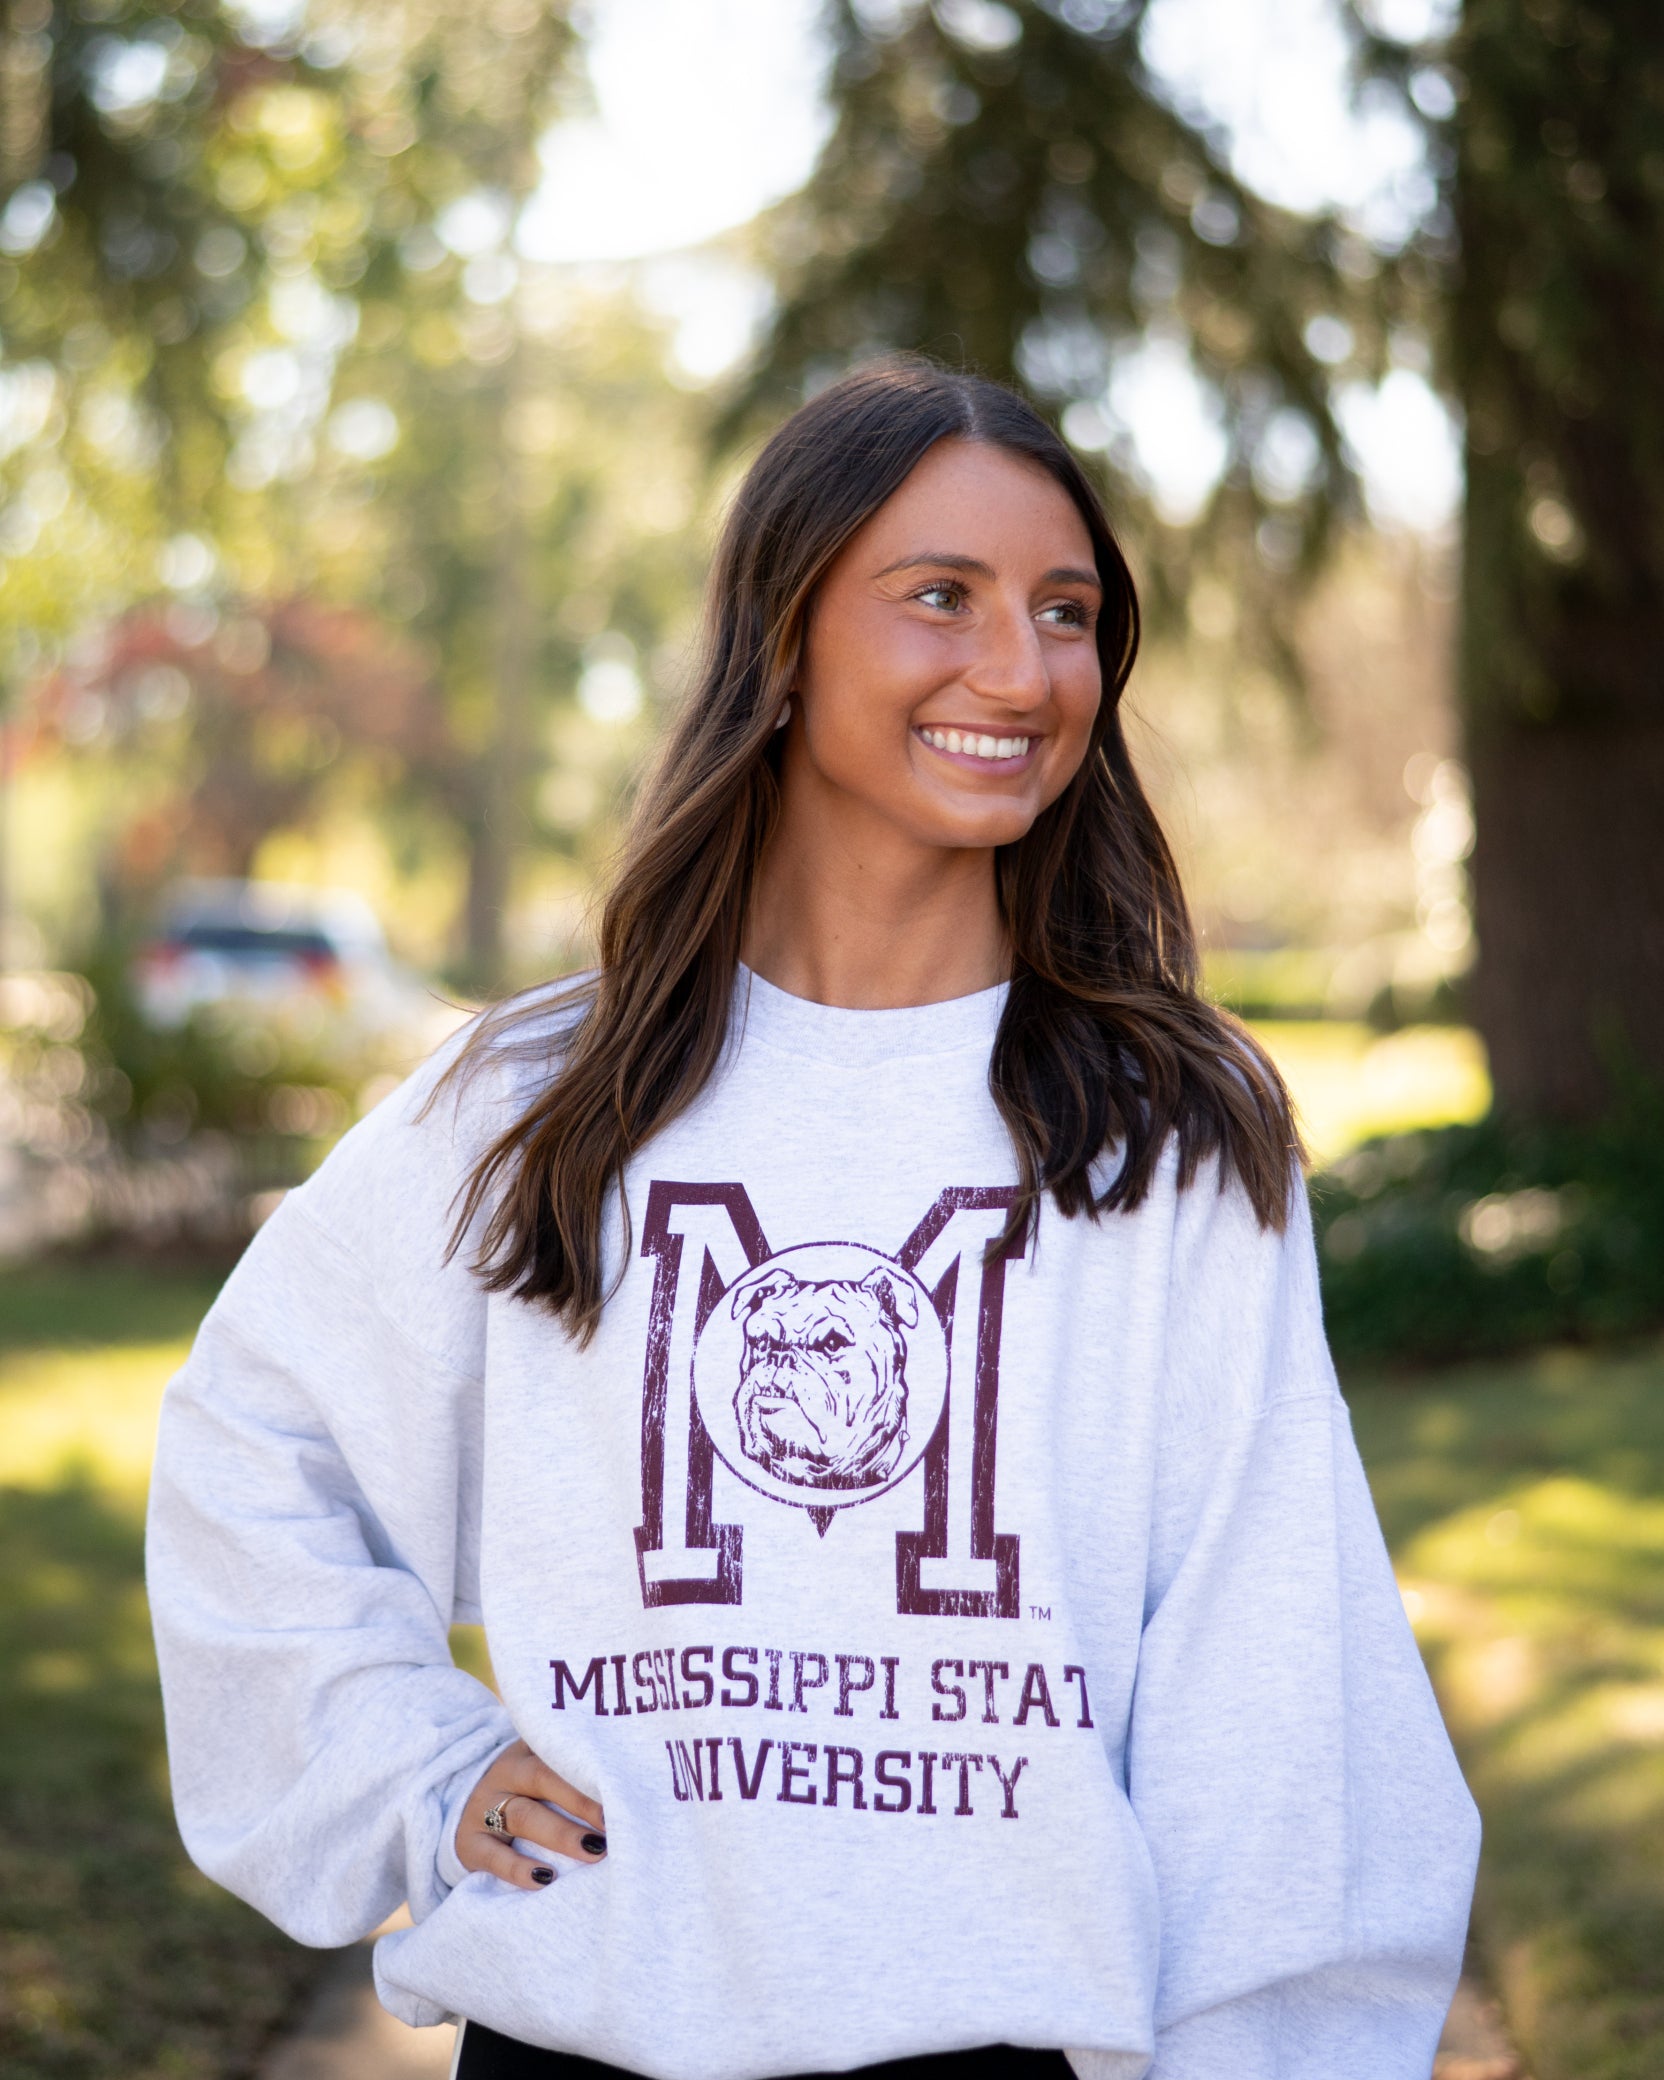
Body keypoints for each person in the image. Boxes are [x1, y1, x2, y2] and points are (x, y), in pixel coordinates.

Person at [147, 358, 1479, 2080]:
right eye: (943, 596)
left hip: (997, 2053)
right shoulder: (546, 1095)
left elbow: (1277, 1691)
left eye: (1065, 612)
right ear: (782, 641)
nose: (1020, 668)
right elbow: (254, 1440)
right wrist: (411, 1769)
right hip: (584, 2042)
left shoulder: (1168, 1133)